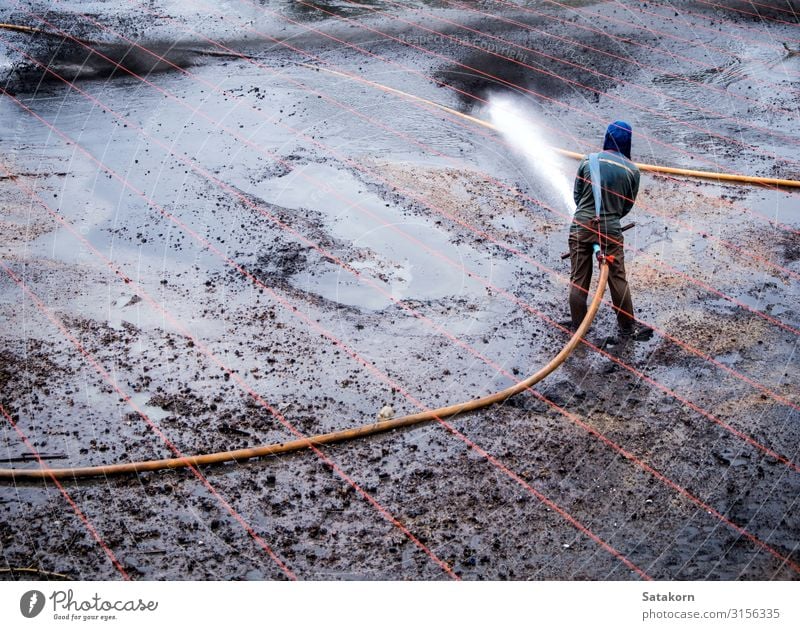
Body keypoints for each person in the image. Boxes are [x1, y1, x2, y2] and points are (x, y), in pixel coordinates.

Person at [567, 120, 650, 340]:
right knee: (617, 278)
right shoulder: (633, 171)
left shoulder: (588, 160)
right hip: (611, 230)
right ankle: (626, 327)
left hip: (581, 226)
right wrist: (609, 218)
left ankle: (579, 327)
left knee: (578, 278)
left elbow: (577, 197)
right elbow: (626, 205)